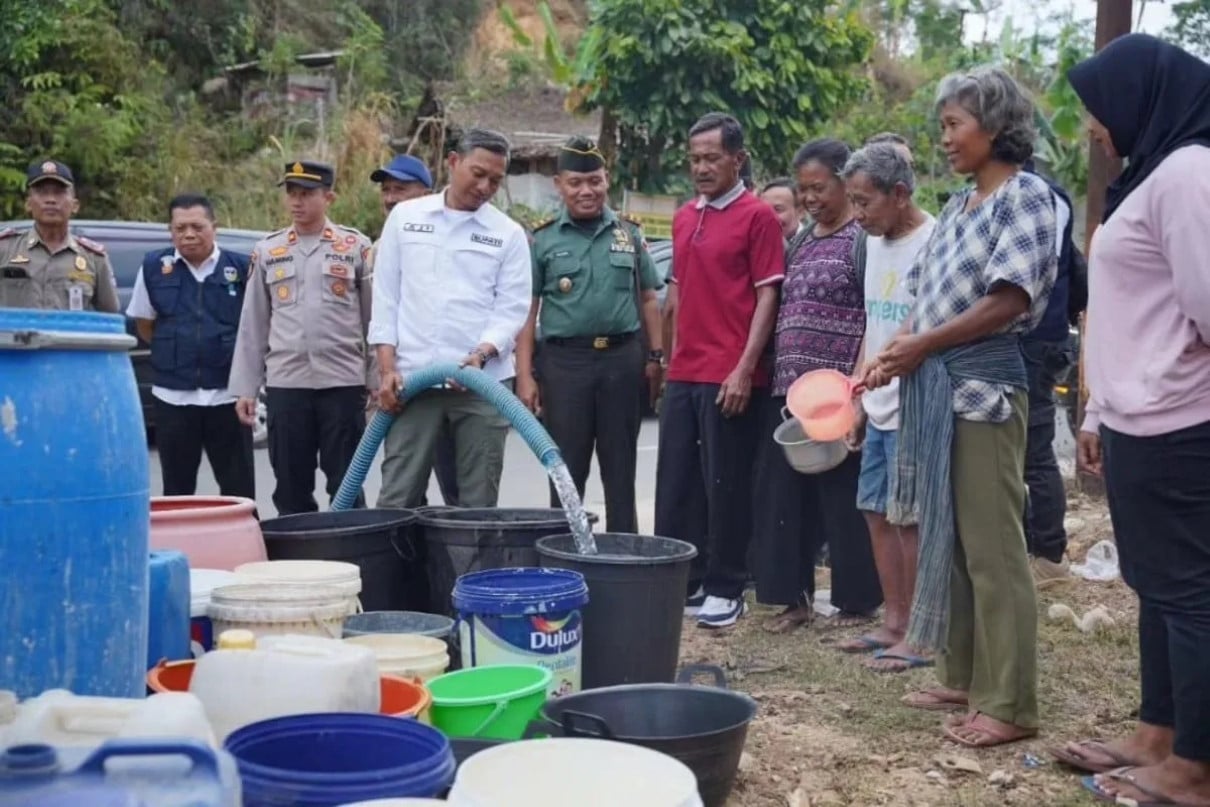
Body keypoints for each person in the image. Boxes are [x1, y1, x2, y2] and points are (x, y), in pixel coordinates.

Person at [864, 66, 1056, 748]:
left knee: (993, 546)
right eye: (943, 125)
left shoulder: (1025, 198)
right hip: (935, 385)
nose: (943, 138)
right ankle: (963, 672)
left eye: (954, 125)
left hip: (982, 389)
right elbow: (923, 297)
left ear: (997, 128)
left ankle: (1009, 700)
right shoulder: (956, 207)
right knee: (948, 535)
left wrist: (922, 348)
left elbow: (1010, 299)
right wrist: (891, 354)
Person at [1051, 35, 1210, 807]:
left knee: (1189, 591)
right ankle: (1158, 732)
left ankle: (1196, 766)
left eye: (1097, 112)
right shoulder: (1151, 174)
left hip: (1182, 419)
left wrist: (1159, 385)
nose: (1093, 128)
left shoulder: (1188, 173)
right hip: (1138, 416)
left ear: (1143, 100)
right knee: (1155, 584)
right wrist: (1101, 409)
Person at [656, 112, 784, 629]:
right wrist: (666, 360)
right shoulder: (686, 216)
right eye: (695, 159)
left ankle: (726, 585)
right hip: (685, 371)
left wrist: (743, 368)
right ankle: (685, 581)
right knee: (677, 482)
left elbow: (767, 293)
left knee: (725, 483)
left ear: (738, 159)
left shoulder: (758, 217)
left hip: (730, 373)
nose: (702, 168)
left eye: (712, 158)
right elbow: (678, 292)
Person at [750, 139, 882, 635]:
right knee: (785, 497)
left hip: (837, 390)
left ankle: (855, 602)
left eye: (819, 188)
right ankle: (793, 599)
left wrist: (858, 382)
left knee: (842, 496)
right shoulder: (803, 238)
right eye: (803, 189)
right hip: (791, 391)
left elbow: (873, 312)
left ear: (845, 184)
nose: (809, 198)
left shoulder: (862, 240)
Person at [370, 129, 532, 509]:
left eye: (495, 180)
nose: (485, 186)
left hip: (481, 387)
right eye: (478, 173)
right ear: (453, 162)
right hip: (412, 382)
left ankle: (469, 568)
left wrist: (481, 353)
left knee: (476, 505)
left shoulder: (507, 234)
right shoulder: (406, 219)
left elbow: (511, 308)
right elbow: (386, 298)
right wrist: (386, 369)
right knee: (397, 498)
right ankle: (397, 570)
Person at [516, 136, 665, 533]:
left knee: (621, 468)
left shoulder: (628, 233)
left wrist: (656, 357)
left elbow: (649, 299)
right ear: (559, 186)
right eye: (576, 183)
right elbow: (528, 313)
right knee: (566, 468)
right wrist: (526, 375)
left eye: (595, 181)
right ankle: (564, 552)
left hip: (622, 360)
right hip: (565, 365)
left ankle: (623, 557)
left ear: (606, 180)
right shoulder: (542, 239)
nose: (587, 191)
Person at [228, 160, 374, 515]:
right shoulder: (268, 250)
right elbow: (254, 323)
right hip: (287, 384)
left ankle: (352, 556)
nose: (297, 202)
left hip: (342, 383)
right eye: (291, 193)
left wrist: (376, 379)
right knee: (291, 484)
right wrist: (246, 388)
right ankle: (297, 561)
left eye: (307, 194)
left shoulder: (354, 246)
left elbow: (374, 320)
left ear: (329, 197)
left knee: (347, 484)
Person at [840, 141, 935, 670]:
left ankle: (921, 633)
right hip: (876, 401)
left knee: (909, 519)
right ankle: (893, 622)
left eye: (864, 203)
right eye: (852, 202)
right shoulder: (872, 242)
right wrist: (856, 392)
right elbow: (872, 325)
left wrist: (885, 371)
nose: (857, 215)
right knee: (875, 511)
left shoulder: (936, 238)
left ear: (900, 194)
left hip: (916, 401)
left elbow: (921, 321)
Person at [126, 194, 255, 499]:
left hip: (227, 396)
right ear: (170, 230)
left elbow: (255, 328)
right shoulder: (154, 267)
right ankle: (179, 546)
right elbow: (145, 323)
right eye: (179, 227)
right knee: (177, 489)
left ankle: (242, 545)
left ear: (215, 227)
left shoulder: (240, 267)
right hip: (173, 397)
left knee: (239, 487)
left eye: (197, 226)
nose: (188, 234)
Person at [367, 153, 460, 507]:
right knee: (403, 490)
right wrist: (375, 376)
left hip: (451, 380)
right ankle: (408, 560)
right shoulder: (375, 250)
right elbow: (373, 318)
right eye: (386, 190)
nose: (390, 198)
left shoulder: (452, 241)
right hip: (399, 385)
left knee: (458, 488)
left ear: (426, 193)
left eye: (400, 189)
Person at [1020, 157, 1085, 585]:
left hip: (1035, 339)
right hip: (1043, 337)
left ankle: (1049, 555)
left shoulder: (1037, 195)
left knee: (1035, 449)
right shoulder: (1045, 192)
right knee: (1024, 448)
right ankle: (1037, 545)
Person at [0, 160, 118, 313]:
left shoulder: (94, 258)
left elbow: (110, 316)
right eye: (42, 192)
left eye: (59, 192)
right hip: (16, 337)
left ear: (75, 205)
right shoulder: (5, 249)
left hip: (69, 337)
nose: (51, 200)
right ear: (28, 204)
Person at [759, 178, 805, 244]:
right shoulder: (756, 244)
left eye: (777, 210)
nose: (770, 217)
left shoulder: (813, 247)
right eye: (765, 210)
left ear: (800, 212)